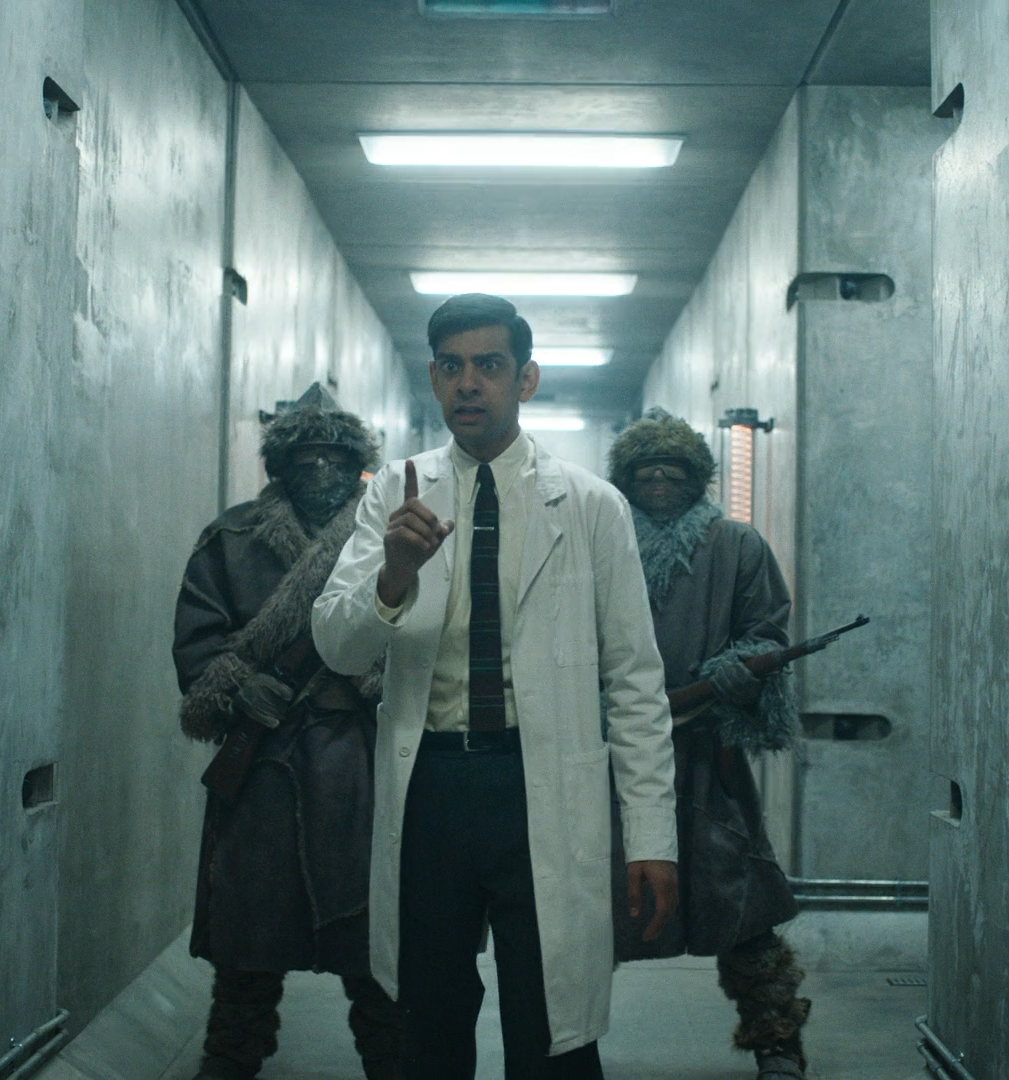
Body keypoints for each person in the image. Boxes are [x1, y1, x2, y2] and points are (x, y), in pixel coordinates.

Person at [311, 294, 680, 1079]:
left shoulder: (591, 505)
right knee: (429, 1022)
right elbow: (337, 647)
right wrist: (393, 576)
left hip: (539, 784)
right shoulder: (397, 492)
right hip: (433, 786)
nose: (469, 383)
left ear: (526, 379)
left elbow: (636, 681)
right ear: (434, 380)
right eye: (452, 367)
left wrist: (652, 836)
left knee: (552, 1029)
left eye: (489, 365)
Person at [172, 384, 401, 1080]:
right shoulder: (231, 539)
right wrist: (238, 684)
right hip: (264, 762)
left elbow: (420, 633)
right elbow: (199, 639)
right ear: (280, 465)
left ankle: (392, 1058)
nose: (321, 467)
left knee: (374, 932)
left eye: (335, 456)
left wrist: (371, 674)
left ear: (358, 464)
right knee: (249, 928)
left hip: (359, 760)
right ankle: (232, 1052)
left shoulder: (387, 538)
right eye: (306, 456)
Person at [605, 407, 810, 1079]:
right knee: (587, 906)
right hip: (609, 756)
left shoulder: (737, 544)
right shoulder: (598, 541)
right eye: (646, 471)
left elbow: (766, 633)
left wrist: (736, 671)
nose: (659, 481)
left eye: (673, 470)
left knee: (741, 902)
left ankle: (777, 1038)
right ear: (626, 480)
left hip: (705, 756)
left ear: (697, 478)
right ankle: (565, 1042)